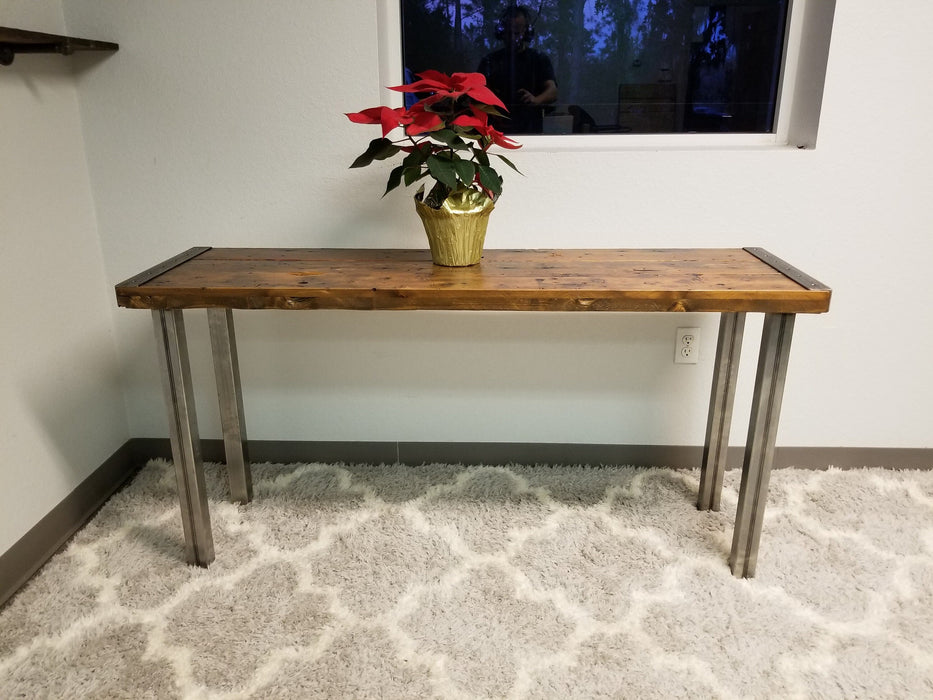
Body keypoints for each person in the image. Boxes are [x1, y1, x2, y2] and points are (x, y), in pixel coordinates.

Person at [477, 5, 558, 134]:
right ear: (502, 32)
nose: (513, 37)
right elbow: (476, 92)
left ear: (527, 31)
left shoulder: (538, 59)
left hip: (531, 130)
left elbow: (552, 91)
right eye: (509, 32)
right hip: (497, 130)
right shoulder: (489, 61)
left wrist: (535, 100)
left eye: (517, 32)